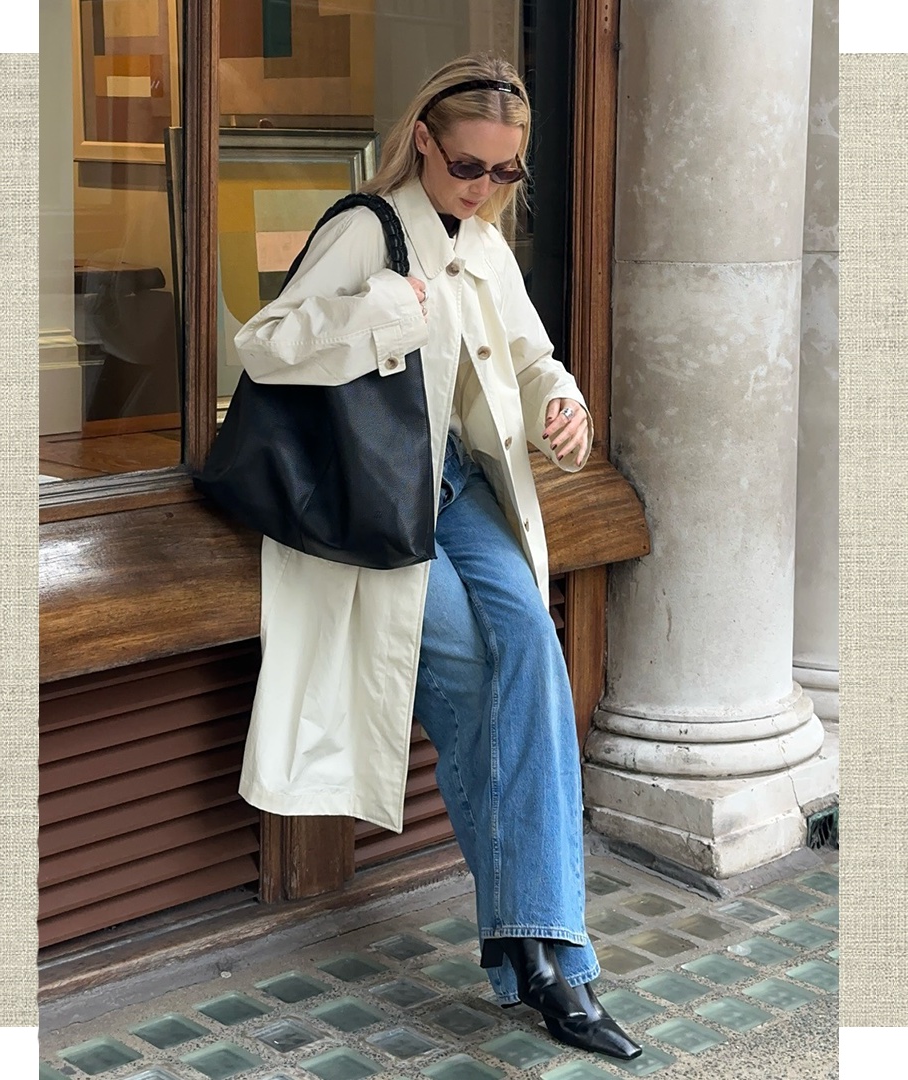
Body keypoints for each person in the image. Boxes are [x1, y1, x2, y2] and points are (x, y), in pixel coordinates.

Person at [231, 54, 639, 1062]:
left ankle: (543, 952)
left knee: (535, 661)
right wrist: (382, 317)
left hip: (458, 491)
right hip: (383, 511)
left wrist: (564, 406)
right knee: (478, 682)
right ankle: (544, 963)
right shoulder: (363, 229)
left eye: (508, 174)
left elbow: (530, 349)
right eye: (470, 167)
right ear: (423, 138)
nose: (486, 188)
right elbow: (264, 344)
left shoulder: (485, 240)